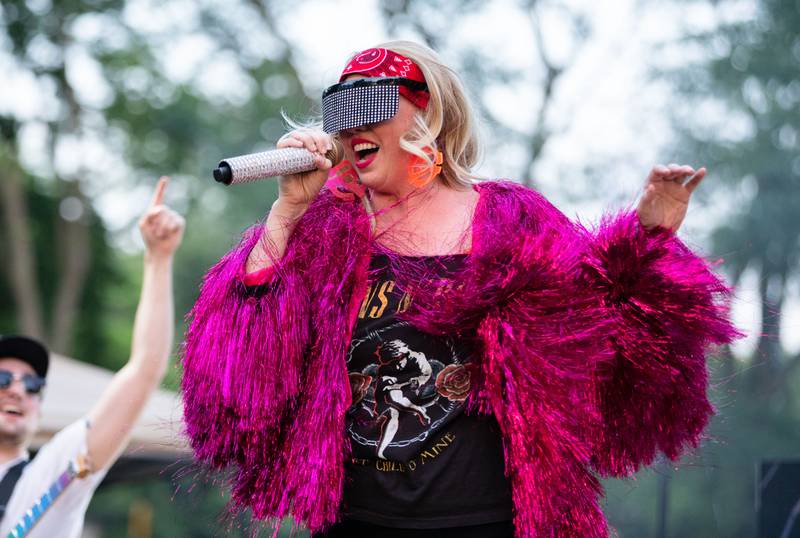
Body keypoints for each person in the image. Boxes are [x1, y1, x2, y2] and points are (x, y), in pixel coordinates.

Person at [181, 42, 738, 537]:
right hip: (357, 521)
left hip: (488, 521)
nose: (350, 128)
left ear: (431, 115)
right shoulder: (326, 229)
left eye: (369, 107)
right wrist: (288, 210)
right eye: (339, 113)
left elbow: (602, 321)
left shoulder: (513, 220)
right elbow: (239, 375)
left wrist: (645, 238)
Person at [0, 177, 184, 537]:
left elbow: (144, 371)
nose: (18, 390)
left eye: (33, 384)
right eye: (4, 379)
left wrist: (158, 260)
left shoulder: (55, 471)